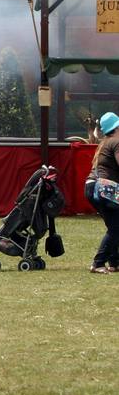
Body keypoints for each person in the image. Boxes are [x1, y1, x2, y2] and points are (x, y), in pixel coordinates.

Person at [85, 111, 119, 274]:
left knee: (114, 224)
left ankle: (114, 263)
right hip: (105, 188)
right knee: (116, 227)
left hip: (92, 187)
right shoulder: (116, 141)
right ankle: (98, 263)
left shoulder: (105, 142)